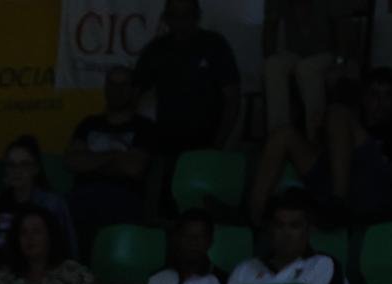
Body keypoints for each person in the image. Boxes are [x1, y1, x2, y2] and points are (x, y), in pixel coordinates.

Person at [249, 64, 392, 227]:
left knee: (337, 112)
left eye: (387, 96)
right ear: (365, 97)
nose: (380, 103)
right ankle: (254, 217)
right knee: (283, 135)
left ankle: (337, 203)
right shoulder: (354, 120)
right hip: (333, 179)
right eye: (374, 95)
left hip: (370, 189)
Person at [64, 66, 161, 242]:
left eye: (124, 85)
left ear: (133, 90)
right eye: (113, 85)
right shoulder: (88, 124)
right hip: (83, 200)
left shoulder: (144, 127)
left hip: (123, 201)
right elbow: (72, 161)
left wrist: (91, 161)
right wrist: (115, 156)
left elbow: (133, 167)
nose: (118, 91)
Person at [132, 0, 241, 153]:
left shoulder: (214, 45)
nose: (180, 22)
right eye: (175, 16)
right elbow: (134, 92)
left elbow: (232, 98)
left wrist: (217, 145)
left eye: (186, 15)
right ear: (166, 18)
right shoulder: (157, 49)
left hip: (207, 139)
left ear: (197, 16)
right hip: (165, 141)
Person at [0, 135, 77, 282]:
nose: (17, 170)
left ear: (36, 169)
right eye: (11, 165)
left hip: (42, 282)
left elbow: (61, 251)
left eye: (24, 164)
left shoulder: (52, 204)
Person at [225, 190, 341, 284]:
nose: (286, 233)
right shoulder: (243, 270)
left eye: (294, 226)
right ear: (270, 229)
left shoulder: (322, 265)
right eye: (279, 225)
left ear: (309, 230)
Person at [262, 0, 340, 138]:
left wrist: (340, 63)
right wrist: (269, 56)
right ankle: (279, 137)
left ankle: (315, 137)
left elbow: (343, 30)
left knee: (306, 68)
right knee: (273, 65)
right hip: (295, 52)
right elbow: (270, 26)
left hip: (325, 52)